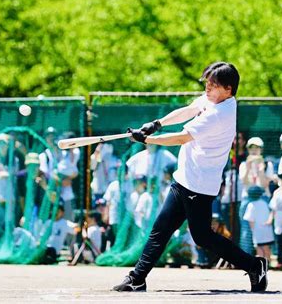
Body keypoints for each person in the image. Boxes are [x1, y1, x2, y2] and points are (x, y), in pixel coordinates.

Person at [113, 62, 268, 293]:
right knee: (161, 229)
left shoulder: (220, 113)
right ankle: (137, 277)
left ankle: (255, 265)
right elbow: (188, 110)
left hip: (199, 185)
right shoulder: (213, 99)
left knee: (203, 237)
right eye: (207, 82)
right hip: (184, 178)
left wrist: (147, 140)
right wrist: (156, 124)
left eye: (213, 85)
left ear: (228, 89)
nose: (207, 87)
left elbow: (182, 138)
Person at [243, 186, 274, 262]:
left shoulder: (251, 205)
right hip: (267, 230)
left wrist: (253, 230)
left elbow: (251, 220)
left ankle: (261, 265)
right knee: (266, 248)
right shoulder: (264, 203)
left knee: (259, 248)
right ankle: (268, 263)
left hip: (257, 231)